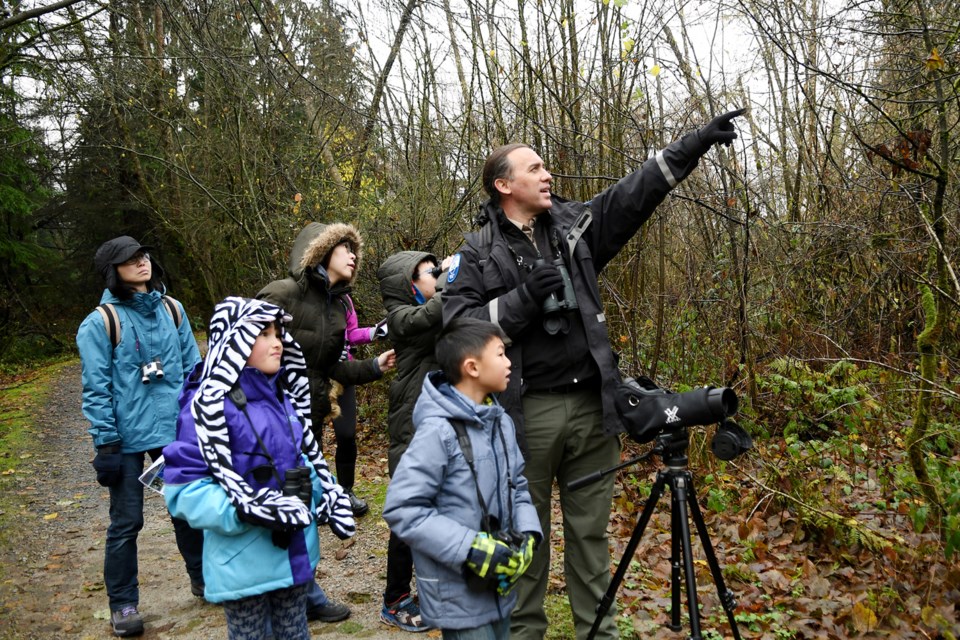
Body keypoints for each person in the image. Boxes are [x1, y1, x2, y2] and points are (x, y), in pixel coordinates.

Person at [441, 109, 745, 639]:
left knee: (590, 540)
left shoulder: (574, 229)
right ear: (504, 184)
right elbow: (456, 330)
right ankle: (524, 632)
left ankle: (597, 634)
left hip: (592, 410)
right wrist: (521, 300)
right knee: (524, 537)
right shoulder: (478, 251)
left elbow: (634, 194)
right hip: (523, 415)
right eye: (533, 168)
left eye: (545, 167)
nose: (547, 175)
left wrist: (691, 145)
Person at [162, 297, 356, 640]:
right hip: (243, 562)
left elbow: (305, 460)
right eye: (263, 334)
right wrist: (247, 512)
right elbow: (184, 491)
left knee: (295, 631)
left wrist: (320, 497)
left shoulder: (283, 396)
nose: (277, 342)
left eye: (279, 333)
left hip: (294, 551)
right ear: (232, 341)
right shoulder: (209, 409)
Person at [257, 221, 396, 622]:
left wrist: (372, 366)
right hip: (267, 421)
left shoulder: (338, 307)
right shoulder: (282, 294)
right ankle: (268, 595)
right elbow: (238, 351)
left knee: (303, 505)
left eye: (355, 249)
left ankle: (305, 590)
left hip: (309, 418)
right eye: (344, 248)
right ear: (320, 252)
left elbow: (331, 366)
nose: (353, 255)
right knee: (271, 507)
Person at [76, 235, 205, 637]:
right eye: (130, 260)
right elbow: (96, 389)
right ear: (113, 271)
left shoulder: (173, 309)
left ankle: (205, 582)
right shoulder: (100, 322)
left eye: (143, 255)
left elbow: (193, 370)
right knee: (126, 522)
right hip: (126, 438)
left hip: (172, 433)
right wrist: (106, 444)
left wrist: (198, 421)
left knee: (188, 511)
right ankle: (123, 603)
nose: (141, 263)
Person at [382, 317, 541, 639]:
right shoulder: (437, 431)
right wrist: (470, 549)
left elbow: (518, 485)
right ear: (472, 367)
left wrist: (529, 533)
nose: (509, 362)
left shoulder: (501, 422)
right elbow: (403, 508)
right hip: (458, 593)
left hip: (498, 584)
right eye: (500, 354)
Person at [374, 250, 451, 631]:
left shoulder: (437, 305)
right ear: (410, 284)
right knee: (410, 510)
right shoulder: (401, 317)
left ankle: (436, 590)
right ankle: (396, 598)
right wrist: (452, 280)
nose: (437, 277)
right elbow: (433, 313)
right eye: (430, 273)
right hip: (410, 419)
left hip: (439, 419)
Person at [334, 293, 388, 516]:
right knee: (309, 437)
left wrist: (377, 331)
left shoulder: (344, 298)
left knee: (346, 435)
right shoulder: (306, 296)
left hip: (344, 373)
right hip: (313, 375)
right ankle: (314, 495)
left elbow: (351, 334)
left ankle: (345, 491)